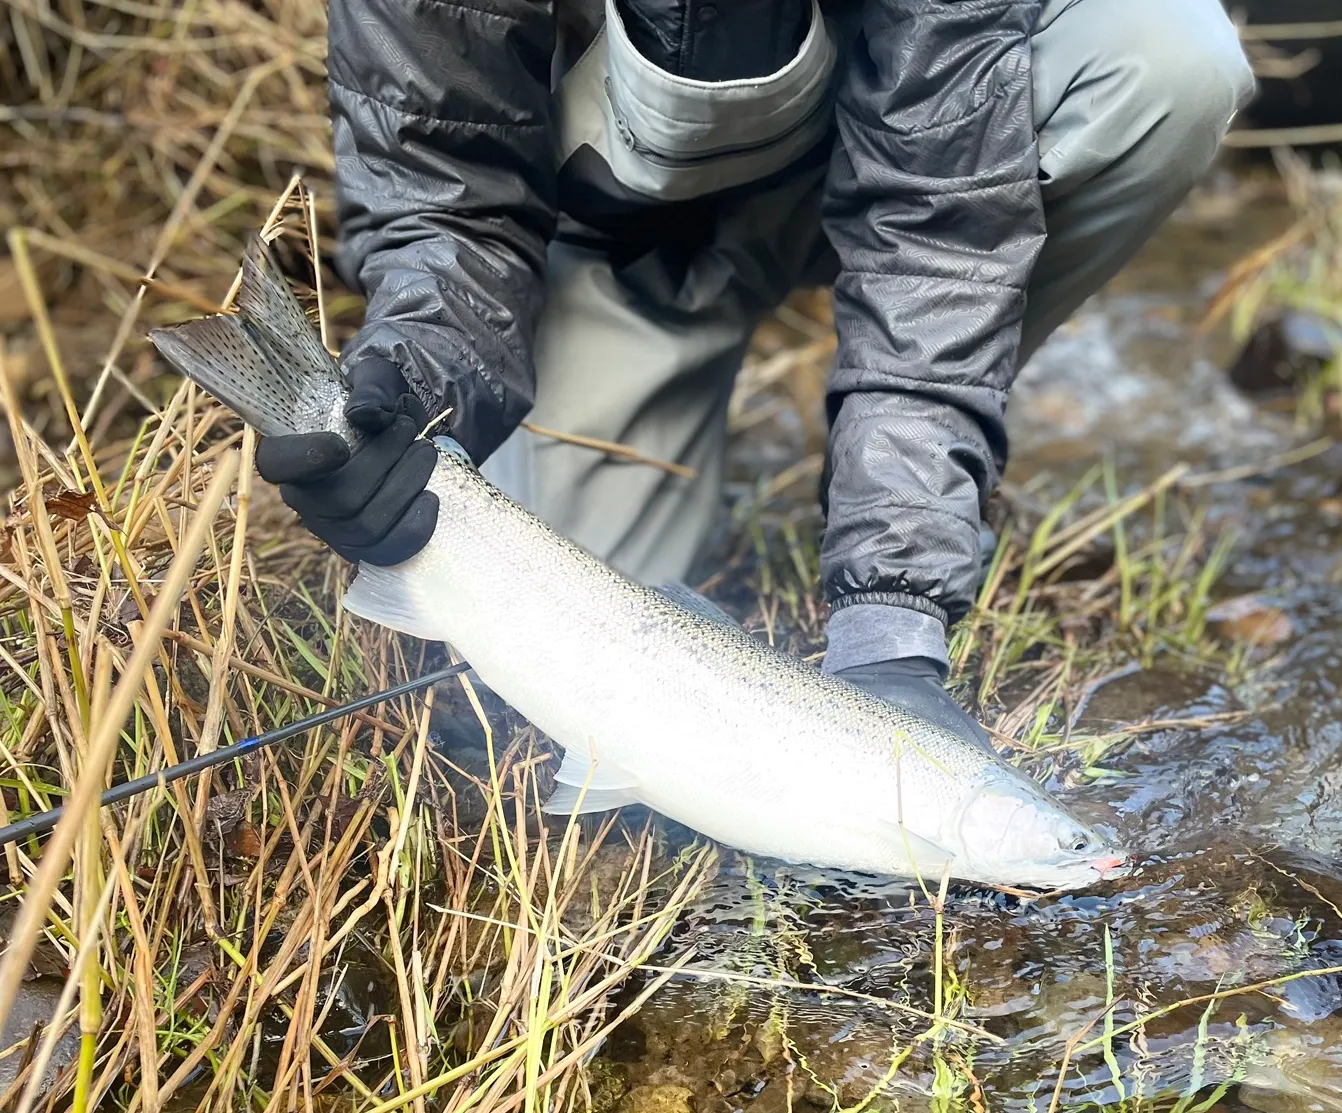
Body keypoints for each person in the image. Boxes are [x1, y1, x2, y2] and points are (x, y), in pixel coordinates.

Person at [257, 0, 1253, 747]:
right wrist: (413, 396)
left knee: (1168, 61)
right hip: (601, 257)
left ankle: (909, 464)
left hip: (862, 184)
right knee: (581, 715)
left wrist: (893, 621)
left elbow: (938, 233)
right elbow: (448, 203)